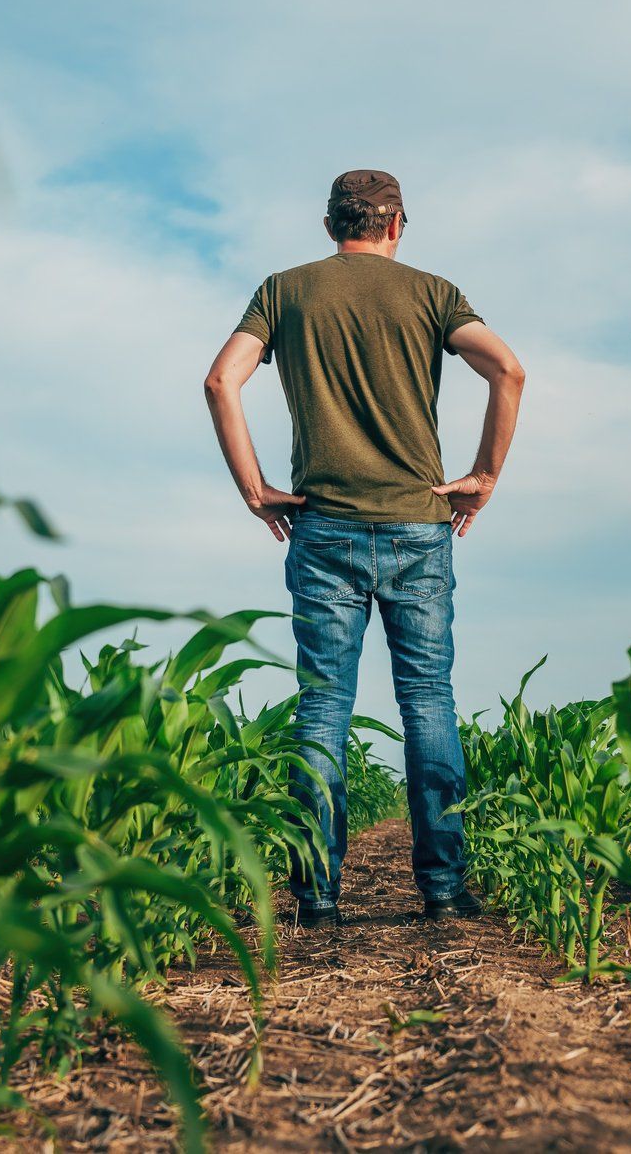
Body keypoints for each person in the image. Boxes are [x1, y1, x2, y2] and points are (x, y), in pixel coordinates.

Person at [203, 169, 525, 925]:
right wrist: (482, 477)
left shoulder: (284, 291)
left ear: (329, 227)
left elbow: (222, 382)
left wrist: (255, 491)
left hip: (323, 528)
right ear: (396, 225)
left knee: (321, 710)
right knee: (427, 703)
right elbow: (507, 368)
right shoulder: (432, 293)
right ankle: (443, 890)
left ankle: (314, 896)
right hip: (419, 526)